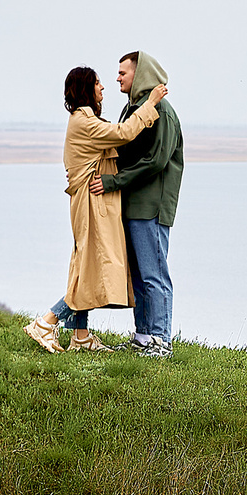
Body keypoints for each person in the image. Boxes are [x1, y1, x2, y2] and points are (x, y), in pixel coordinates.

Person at [22, 65, 165, 354]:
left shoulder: (85, 119)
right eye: (98, 83)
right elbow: (123, 133)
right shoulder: (84, 122)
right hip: (91, 203)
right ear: (87, 88)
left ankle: (81, 336)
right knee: (90, 270)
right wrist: (150, 104)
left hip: (93, 200)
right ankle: (46, 322)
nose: (103, 88)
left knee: (85, 265)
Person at [93, 51, 183, 357]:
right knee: (140, 276)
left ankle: (161, 341)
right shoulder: (133, 109)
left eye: (123, 73)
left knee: (154, 274)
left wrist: (113, 182)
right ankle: (144, 337)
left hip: (152, 207)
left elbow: (156, 161)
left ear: (140, 74)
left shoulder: (163, 112)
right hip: (132, 206)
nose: (117, 77)